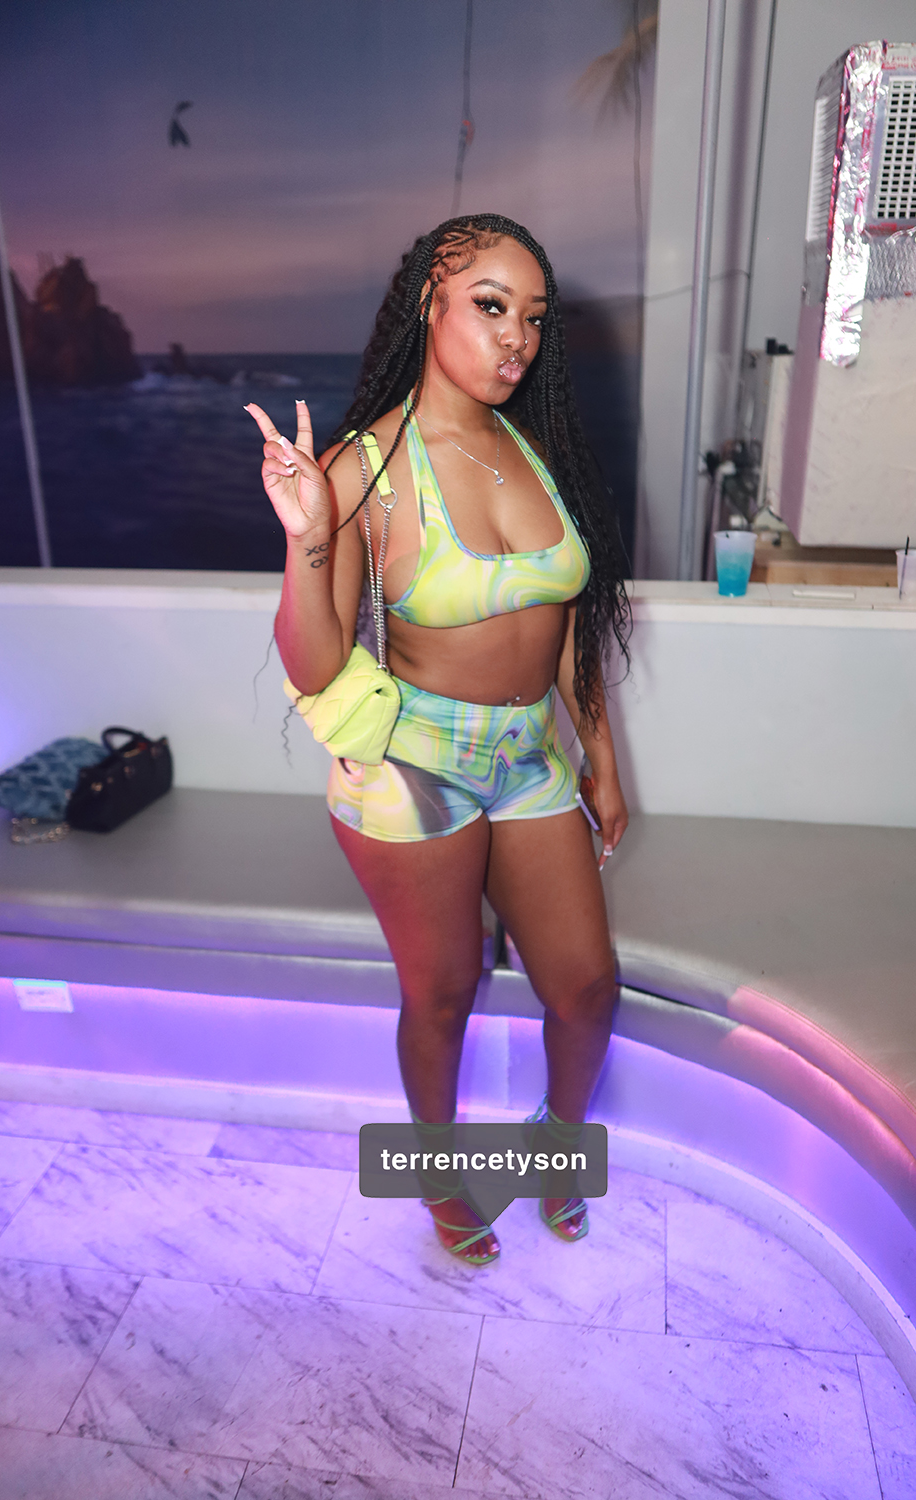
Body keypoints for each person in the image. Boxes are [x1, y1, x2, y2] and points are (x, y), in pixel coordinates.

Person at [247, 213, 630, 1266]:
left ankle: (555, 1146)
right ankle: (434, 1170)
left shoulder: (534, 449)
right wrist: (308, 537)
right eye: (491, 307)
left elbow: (569, 630)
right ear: (430, 303)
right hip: (414, 768)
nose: (517, 338)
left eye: (534, 318)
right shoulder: (361, 469)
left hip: (528, 757)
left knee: (586, 988)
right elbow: (314, 663)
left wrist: (600, 759)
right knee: (443, 993)